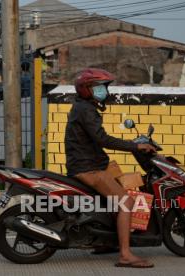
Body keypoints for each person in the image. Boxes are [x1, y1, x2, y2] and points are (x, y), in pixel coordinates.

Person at [65, 68, 156, 268]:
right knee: (126, 202)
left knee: (118, 195)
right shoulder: (86, 110)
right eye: (100, 87)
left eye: (104, 87)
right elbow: (103, 139)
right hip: (88, 169)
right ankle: (125, 255)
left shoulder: (83, 107)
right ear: (87, 89)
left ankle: (107, 242)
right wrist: (135, 145)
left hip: (92, 164)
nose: (104, 91)